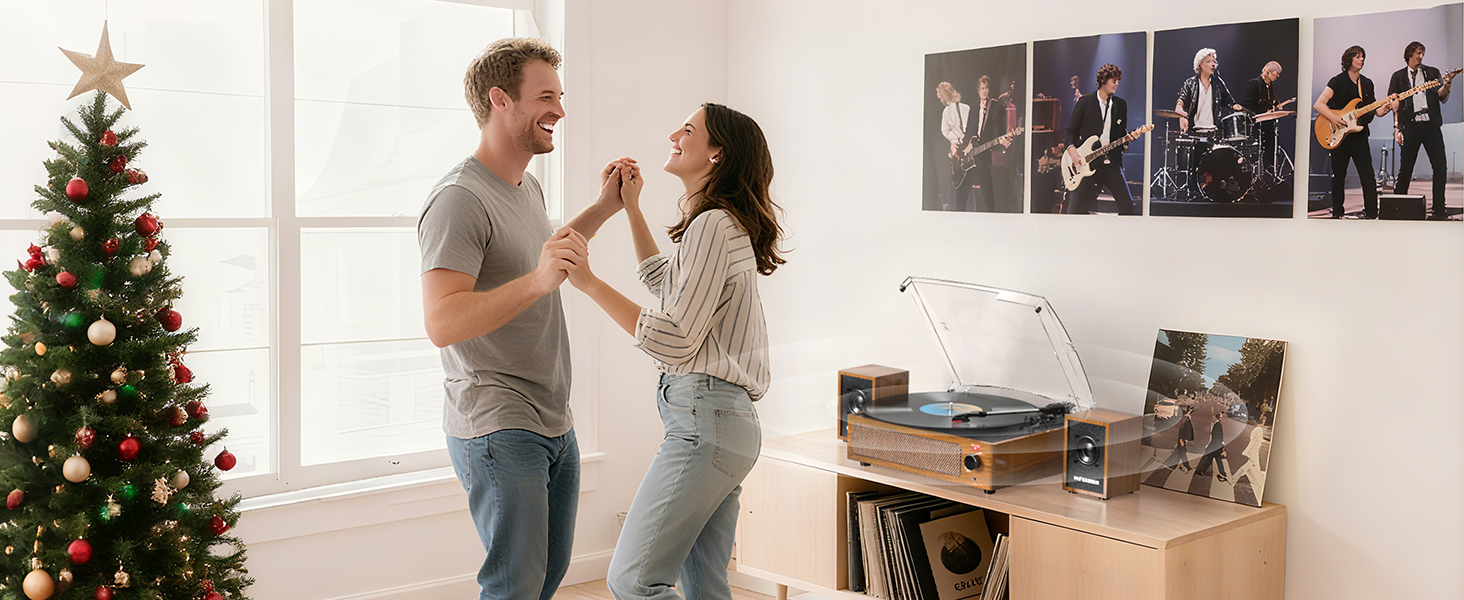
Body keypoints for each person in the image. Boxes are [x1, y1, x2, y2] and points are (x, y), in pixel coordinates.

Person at [418, 37, 625, 600]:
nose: (559, 110)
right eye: (546, 96)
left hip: (554, 414)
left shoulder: (523, 184)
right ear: (500, 100)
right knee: (515, 585)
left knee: (545, 578)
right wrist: (536, 282)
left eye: (560, 95)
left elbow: (544, 254)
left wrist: (605, 206)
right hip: (497, 416)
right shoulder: (459, 199)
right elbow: (441, 320)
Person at [568, 103, 786, 600]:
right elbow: (664, 284)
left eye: (687, 130)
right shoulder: (716, 225)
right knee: (705, 586)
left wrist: (589, 283)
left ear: (717, 154)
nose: (673, 134)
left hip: (706, 422)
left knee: (632, 580)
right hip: (723, 425)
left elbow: (676, 337)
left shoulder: (713, 224)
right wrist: (632, 209)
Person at [1315, 45, 1392, 219]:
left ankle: (1372, 213)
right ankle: (1337, 214)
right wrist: (1335, 119)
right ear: (1349, 59)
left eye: (1362, 57)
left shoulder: (1367, 83)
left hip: (1360, 136)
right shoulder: (1337, 81)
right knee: (1338, 177)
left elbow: (1375, 111)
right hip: (1339, 136)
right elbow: (1319, 104)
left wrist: (1385, 108)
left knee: (1368, 177)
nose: (1361, 60)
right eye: (1357, 57)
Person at [1388, 41, 1455, 220]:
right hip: (1411, 127)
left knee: (1440, 166)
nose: (1420, 56)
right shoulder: (1398, 77)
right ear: (1409, 54)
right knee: (1405, 169)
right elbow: (1394, 105)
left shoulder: (1432, 73)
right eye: (1418, 53)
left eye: (1422, 53)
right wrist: (1397, 129)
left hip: (1431, 126)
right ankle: (1398, 207)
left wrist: (1447, 84)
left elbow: (1441, 96)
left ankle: (1439, 209)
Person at [1064, 63, 1136, 215]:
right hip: (1087, 163)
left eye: (1118, 81)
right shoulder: (1085, 102)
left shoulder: (1120, 104)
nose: (1117, 84)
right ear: (1103, 80)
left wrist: (1128, 140)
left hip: (1111, 164)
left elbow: (1121, 134)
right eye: (1114, 81)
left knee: (1128, 206)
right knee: (1075, 210)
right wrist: (1073, 153)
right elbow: (1070, 131)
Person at [960, 76, 1010, 212]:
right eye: (982, 88)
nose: (985, 91)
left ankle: (991, 214)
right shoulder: (974, 106)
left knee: (987, 188)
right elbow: (970, 129)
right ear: (978, 90)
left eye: (987, 88)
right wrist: (964, 148)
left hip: (984, 153)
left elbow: (999, 130)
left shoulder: (996, 106)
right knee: (963, 187)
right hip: (971, 152)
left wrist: (1002, 140)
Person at [1176, 48, 1242, 136]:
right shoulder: (1190, 83)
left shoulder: (1218, 83)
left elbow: (1229, 100)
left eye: (1214, 61)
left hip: (1213, 131)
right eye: (1209, 61)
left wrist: (1236, 106)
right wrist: (1181, 113)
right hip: (1194, 130)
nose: (1213, 64)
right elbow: (1181, 101)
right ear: (1201, 64)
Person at [1242, 62, 1287, 172]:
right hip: (1256, 125)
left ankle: (1270, 172)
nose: (1277, 76)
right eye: (1276, 74)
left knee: (1270, 151)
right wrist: (1258, 114)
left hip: (1267, 125)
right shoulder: (1255, 83)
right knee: (1259, 152)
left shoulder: (1270, 86)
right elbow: (1246, 104)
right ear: (1268, 72)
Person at [937, 81, 973, 211]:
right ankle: (957, 206)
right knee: (957, 178)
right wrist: (955, 141)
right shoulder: (946, 112)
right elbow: (945, 130)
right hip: (956, 146)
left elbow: (970, 126)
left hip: (968, 145)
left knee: (968, 176)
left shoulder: (966, 108)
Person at [1194, 411, 1230, 482]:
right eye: (1221, 416)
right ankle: (1222, 473)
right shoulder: (1218, 425)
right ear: (1218, 417)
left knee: (1209, 459)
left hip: (1214, 445)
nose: (1222, 417)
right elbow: (1217, 437)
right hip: (1216, 446)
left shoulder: (1216, 424)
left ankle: (1200, 471)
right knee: (1218, 460)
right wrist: (1221, 446)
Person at [1163, 406, 1196, 473]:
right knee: (1182, 453)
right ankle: (1186, 467)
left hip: (1182, 440)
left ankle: (1170, 465)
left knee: (1179, 453)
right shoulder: (1186, 420)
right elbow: (1183, 431)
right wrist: (1182, 440)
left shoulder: (1186, 419)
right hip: (1182, 440)